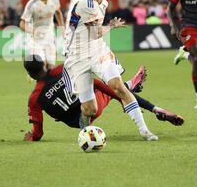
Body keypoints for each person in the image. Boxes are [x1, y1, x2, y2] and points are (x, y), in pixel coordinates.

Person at [63, 0, 158, 141]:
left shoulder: (103, 2)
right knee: (90, 109)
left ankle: (145, 131)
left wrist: (106, 27)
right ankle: (85, 135)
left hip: (97, 50)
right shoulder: (85, 3)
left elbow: (95, 33)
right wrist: (111, 26)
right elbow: (95, 32)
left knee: (118, 86)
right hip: (77, 56)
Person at [23, 55, 184, 141]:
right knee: (102, 86)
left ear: (29, 74)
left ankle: (126, 89)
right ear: (44, 64)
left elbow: (38, 133)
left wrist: (31, 136)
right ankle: (137, 95)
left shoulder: (34, 98)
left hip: (80, 123)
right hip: (94, 105)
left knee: (107, 89)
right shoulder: (61, 69)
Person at [20, 0, 64, 69]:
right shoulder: (32, 4)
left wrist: (62, 27)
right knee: (41, 67)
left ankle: (47, 83)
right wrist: (33, 30)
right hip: (36, 40)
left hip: (50, 37)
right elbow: (22, 24)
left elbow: (58, 12)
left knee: (51, 67)